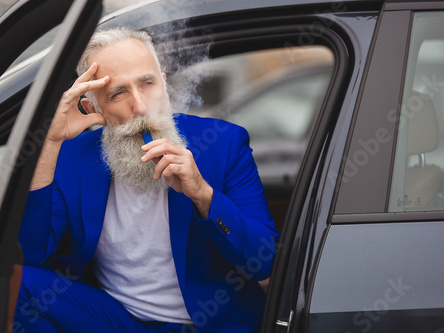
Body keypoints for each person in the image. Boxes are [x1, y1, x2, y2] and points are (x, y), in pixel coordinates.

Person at [15, 27, 279, 333]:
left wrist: (203, 195)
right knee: (16, 282)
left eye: (147, 83)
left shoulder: (224, 143)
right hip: (117, 321)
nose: (140, 106)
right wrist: (49, 144)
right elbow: (30, 255)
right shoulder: (71, 156)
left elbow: (264, 262)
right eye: (118, 93)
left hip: (212, 326)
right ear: (92, 108)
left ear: (164, 84)